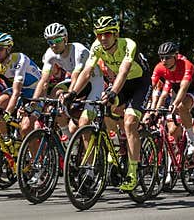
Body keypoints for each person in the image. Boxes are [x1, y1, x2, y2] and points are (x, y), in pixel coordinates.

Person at [64, 15, 152, 192]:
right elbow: (86, 71)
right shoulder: (96, 47)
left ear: (116, 34)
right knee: (104, 111)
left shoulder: (128, 44)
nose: (103, 38)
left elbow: (124, 70)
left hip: (139, 83)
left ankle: (133, 172)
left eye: (107, 34)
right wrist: (73, 92)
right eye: (99, 35)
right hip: (122, 84)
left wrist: (112, 92)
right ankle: (117, 146)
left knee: (130, 121)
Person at [32, 22, 105, 135]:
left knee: (84, 123)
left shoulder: (79, 50)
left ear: (65, 38)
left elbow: (76, 76)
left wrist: (69, 94)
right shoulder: (49, 54)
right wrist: (34, 102)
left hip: (94, 82)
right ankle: (68, 137)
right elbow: (44, 80)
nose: (54, 45)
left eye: (57, 40)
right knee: (55, 94)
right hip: (77, 81)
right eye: (50, 42)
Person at [145, 41, 194, 158]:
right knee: (172, 130)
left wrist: (175, 104)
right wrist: (146, 108)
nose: (164, 61)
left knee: (181, 106)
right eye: (161, 57)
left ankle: (192, 140)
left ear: (175, 56)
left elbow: (183, 88)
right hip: (179, 95)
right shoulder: (159, 67)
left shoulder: (186, 65)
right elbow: (150, 87)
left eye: (167, 57)